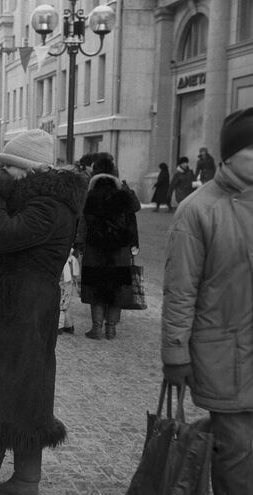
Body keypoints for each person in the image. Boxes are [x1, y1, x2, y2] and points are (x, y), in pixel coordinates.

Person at [0, 129, 87, 495]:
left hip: (20, 312)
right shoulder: (45, 200)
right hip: (22, 308)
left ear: (24, 169)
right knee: (26, 395)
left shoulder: (48, 205)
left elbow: (4, 236)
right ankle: (26, 480)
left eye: (5, 167)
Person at [162, 107, 253, 495]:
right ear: (230, 155)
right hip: (224, 354)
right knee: (237, 454)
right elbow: (181, 289)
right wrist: (175, 354)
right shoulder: (198, 209)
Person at [79, 154, 140, 340]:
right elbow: (133, 218)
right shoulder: (123, 194)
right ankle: (111, 329)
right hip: (119, 250)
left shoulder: (89, 196)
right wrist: (134, 245)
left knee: (97, 289)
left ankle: (96, 328)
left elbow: (82, 223)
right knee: (116, 289)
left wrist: (79, 245)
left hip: (95, 250)